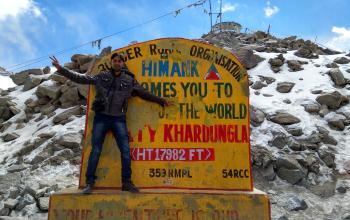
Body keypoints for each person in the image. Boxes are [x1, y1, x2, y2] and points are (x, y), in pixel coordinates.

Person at [50, 54, 172, 194]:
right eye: (115, 61)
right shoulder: (102, 76)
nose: (117, 63)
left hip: (118, 119)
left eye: (119, 61)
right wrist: (60, 69)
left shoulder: (129, 80)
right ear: (111, 62)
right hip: (101, 118)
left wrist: (161, 101)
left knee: (126, 151)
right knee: (96, 150)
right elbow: (81, 78)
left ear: (123, 63)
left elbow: (144, 93)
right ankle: (90, 183)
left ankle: (126, 182)